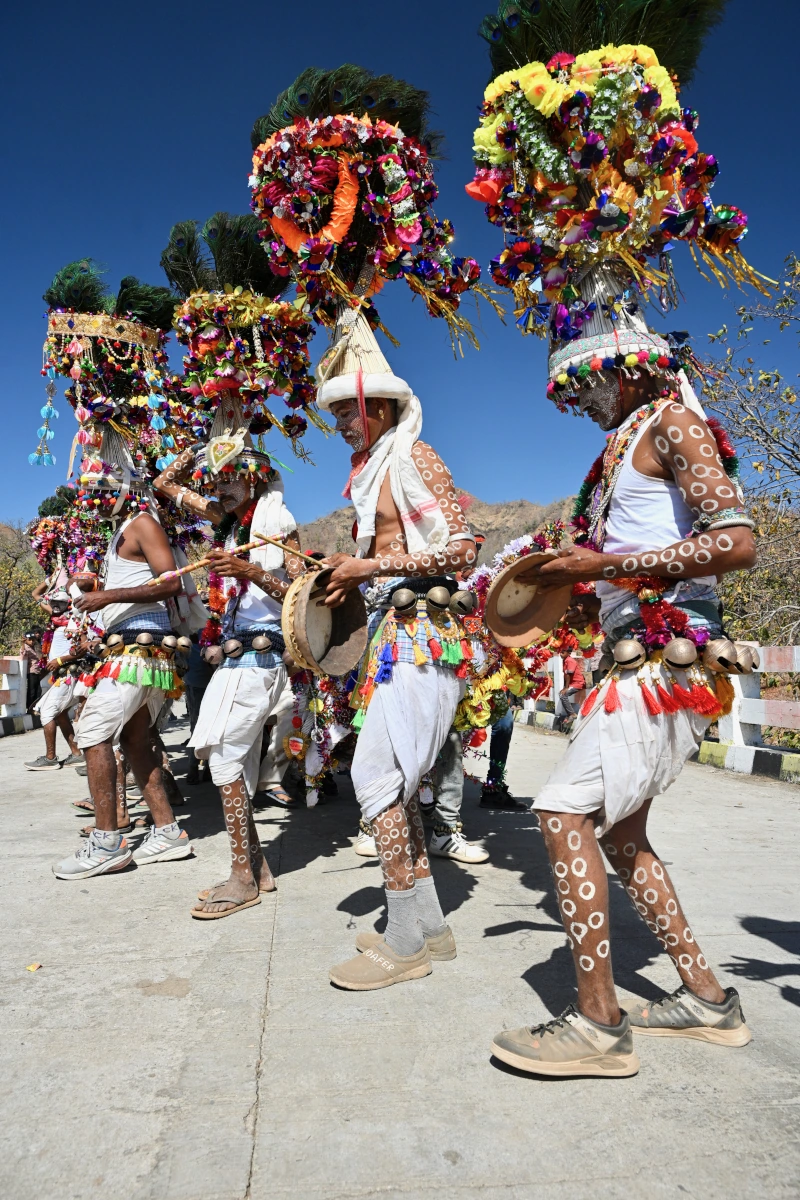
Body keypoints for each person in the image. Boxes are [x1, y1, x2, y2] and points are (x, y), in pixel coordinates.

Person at [315, 310, 477, 989]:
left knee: (376, 780)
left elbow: (464, 551)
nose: (344, 427)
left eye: (350, 414)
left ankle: (405, 937)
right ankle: (427, 926)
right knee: (397, 786)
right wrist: (341, 570)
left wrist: (368, 570)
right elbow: (379, 557)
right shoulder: (372, 474)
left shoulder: (414, 455)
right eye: (338, 418)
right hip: (391, 638)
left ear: (380, 407)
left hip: (422, 635)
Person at [153, 426, 305, 918]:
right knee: (227, 760)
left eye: (230, 477)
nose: (219, 488)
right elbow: (164, 484)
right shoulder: (227, 521)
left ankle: (243, 876)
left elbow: (302, 598)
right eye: (214, 479)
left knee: (224, 760)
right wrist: (201, 445)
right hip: (234, 655)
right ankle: (255, 869)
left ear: (256, 480)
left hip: (262, 658)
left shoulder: (279, 524)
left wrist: (253, 573)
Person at [52, 471, 192, 880]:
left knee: (92, 731)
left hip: (138, 651)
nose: (94, 498)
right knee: (134, 741)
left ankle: (108, 842)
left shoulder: (142, 522)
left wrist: (106, 596)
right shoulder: (121, 532)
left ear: (124, 489)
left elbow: (170, 582)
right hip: (137, 649)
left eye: (101, 488)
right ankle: (167, 832)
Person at [25, 593, 84, 771]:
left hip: (69, 674)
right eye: (53, 602)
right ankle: (76, 754)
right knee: (59, 714)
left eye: (60, 602)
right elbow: (36, 595)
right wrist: (55, 572)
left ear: (69, 604)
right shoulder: (57, 621)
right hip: (61, 676)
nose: (56, 606)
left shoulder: (74, 621)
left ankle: (50, 758)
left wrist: (60, 660)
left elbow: (81, 649)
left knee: (47, 712)